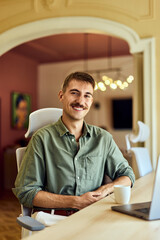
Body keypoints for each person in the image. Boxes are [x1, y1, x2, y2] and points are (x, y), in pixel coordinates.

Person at [13, 72, 135, 214]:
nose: (81, 101)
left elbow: (127, 175)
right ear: (61, 96)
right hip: (54, 220)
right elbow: (26, 192)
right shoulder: (41, 139)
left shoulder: (103, 138)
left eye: (87, 95)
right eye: (74, 93)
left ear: (91, 100)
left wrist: (105, 189)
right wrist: (75, 202)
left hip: (93, 216)